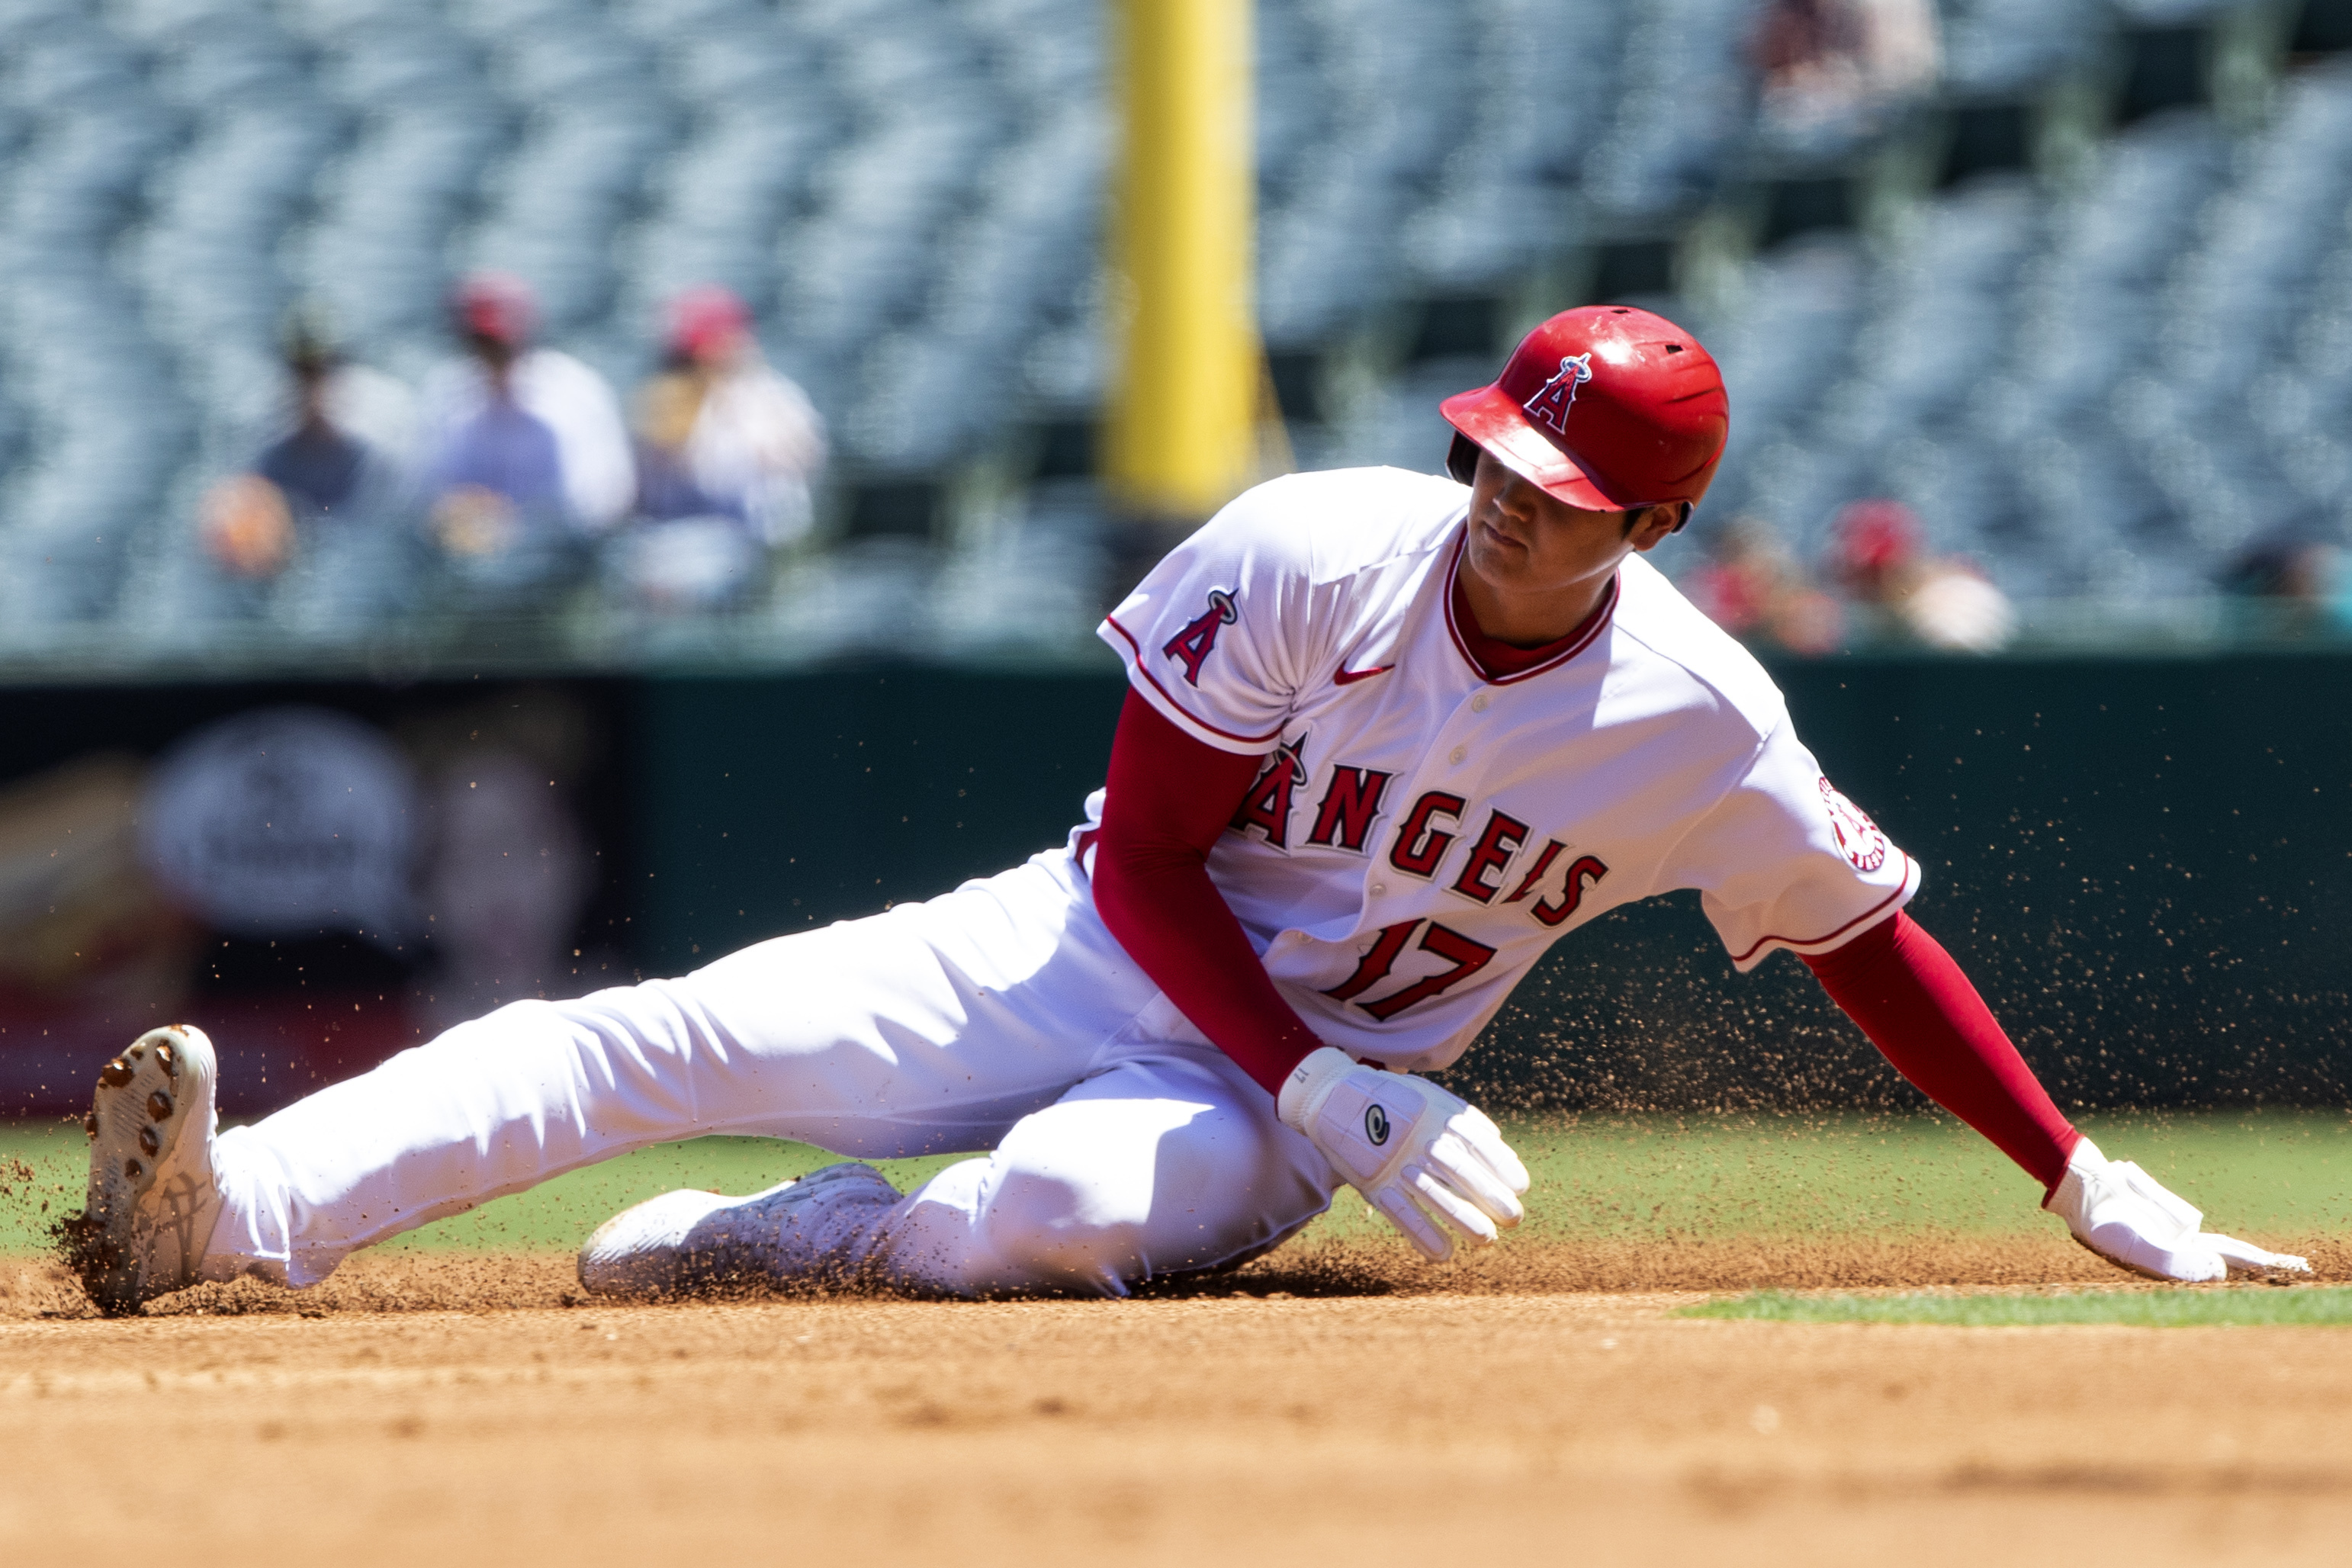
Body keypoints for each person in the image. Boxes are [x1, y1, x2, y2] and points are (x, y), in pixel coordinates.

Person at [64, 306, 2306, 1315]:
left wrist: (2071, 1163)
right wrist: (1325, 1068)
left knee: (1032, 1215)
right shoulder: (1312, 550)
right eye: (1491, 457)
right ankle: (227, 1217)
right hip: (1117, 956)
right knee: (631, 1037)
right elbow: (1144, 859)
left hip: (1283, 1113)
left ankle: (799, 1234)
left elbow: (1854, 935)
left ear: (1649, 519)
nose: (1498, 501)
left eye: (1553, 490)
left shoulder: (1696, 727)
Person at [413, 273, 634, 564]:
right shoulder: (446, 393)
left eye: (498, 346)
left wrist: (510, 520)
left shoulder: (576, 395)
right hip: (465, 565)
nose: (489, 357)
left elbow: (602, 506)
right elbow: (422, 496)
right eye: (478, 345)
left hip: (562, 564)